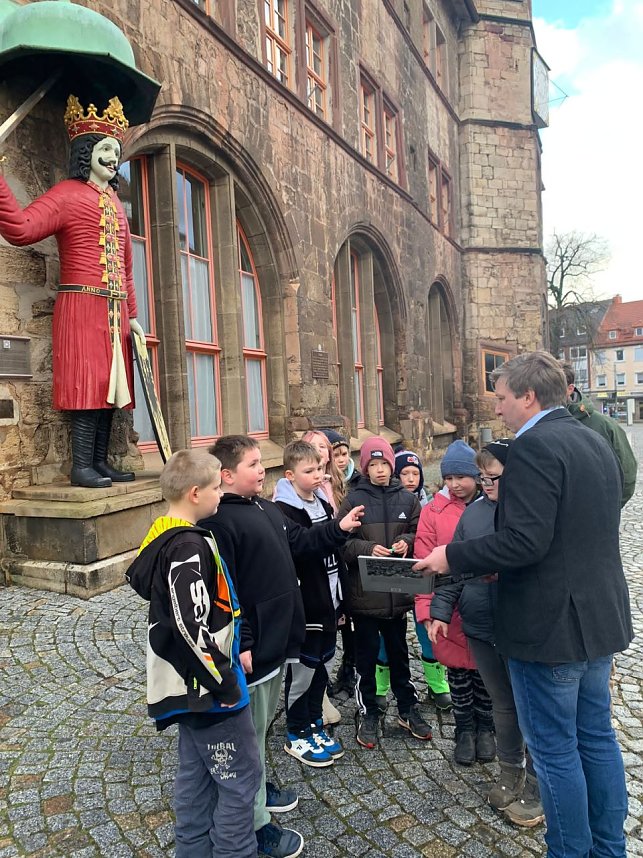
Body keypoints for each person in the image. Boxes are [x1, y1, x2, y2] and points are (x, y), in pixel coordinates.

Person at [416, 351, 633, 858]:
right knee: (596, 740)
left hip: (551, 629)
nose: (500, 407)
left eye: (503, 398)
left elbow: (525, 542)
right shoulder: (593, 438)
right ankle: (607, 849)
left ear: (528, 396)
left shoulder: (534, 447)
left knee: (556, 752)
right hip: (597, 620)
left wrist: (452, 555)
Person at [198, 435, 363, 858]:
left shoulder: (265, 508)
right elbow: (225, 591)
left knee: (260, 730)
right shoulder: (217, 523)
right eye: (254, 464)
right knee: (246, 738)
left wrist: (337, 529)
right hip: (251, 650)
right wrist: (245, 640)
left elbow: (299, 544)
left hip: (276, 643)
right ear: (226, 474)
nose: (262, 470)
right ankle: (254, 824)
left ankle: (258, 789)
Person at [0, 94, 145, 488]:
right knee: (87, 381)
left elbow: (127, 268)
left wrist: (132, 315)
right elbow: (22, 228)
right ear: (86, 153)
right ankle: (81, 465)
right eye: (105, 150)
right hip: (81, 304)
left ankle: (100, 462)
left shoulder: (115, 202)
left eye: (116, 152)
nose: (113, 158)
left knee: (112, 386)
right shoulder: (65, 195)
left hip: (114, 311)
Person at [126, 449, 261, 857]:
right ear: (196, 492)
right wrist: (223, 682)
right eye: (218, 487)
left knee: (196, 774)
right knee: (241, 776)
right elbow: (189, 625)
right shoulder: (187, 546)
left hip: (190, 689)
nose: (222, 494)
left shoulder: (166, 534)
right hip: (206, 690)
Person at [427, 439, 544, 827]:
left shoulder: (529, 513)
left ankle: (538, 782)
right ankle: (510, 769)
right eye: (483, 477)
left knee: (532, 706)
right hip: (480, 624)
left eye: (493, 478)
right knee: (503, 705)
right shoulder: (473, 515)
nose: (487, 484)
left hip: (522, 626)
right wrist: (441, 611)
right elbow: (454, 565)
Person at [337, 436, 431, 749]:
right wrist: (367, 547)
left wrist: (409, 541)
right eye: (373, 464)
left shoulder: (407, 499)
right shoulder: (352, 500)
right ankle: (369, 711)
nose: (379, 470)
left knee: (400, 655)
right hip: (364, 598)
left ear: (392, 465)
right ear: (364, 467)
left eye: (384, 464)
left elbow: (421, 531)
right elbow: (341, 543)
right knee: (365, 659)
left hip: (397, 594)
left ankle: (407, 708)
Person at [414, 440, 493, 764]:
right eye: (448, 479)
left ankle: (487, 728)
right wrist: (427, 611)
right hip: (448, 612)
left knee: (487, 677)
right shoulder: (433, 511)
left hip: (485, 608)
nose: (455, 484)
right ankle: (464, 729)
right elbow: (423, 564)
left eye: (461, 477)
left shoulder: (493, 505)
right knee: (458, 676)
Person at [273, 440, 346, 766]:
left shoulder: (322, 502)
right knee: (302, 672)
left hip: (330, 602)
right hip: (307, 605)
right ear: (290, 475)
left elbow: (334, 548)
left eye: (319, 468)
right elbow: (302, 546)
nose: (318, 475)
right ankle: (296, 731)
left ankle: (314, 723)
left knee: (323, 666)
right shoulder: (284, 511)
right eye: (309, 471)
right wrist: (338, 528)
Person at [375, 450, 452, 712]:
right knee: (387, 631)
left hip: (424, 572)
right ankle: (380, 685)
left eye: (415, 473)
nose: (410, 478)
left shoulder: (431, 504)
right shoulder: (390, 501)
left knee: (426, 627)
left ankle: (436, 682)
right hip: (395, 571)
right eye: (404, 473)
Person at [560, 362, 637, 506]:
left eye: (555, 386)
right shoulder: (540, 423)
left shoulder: (603, 424)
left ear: (570, 389)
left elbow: (627, 472)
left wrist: (609, 508)